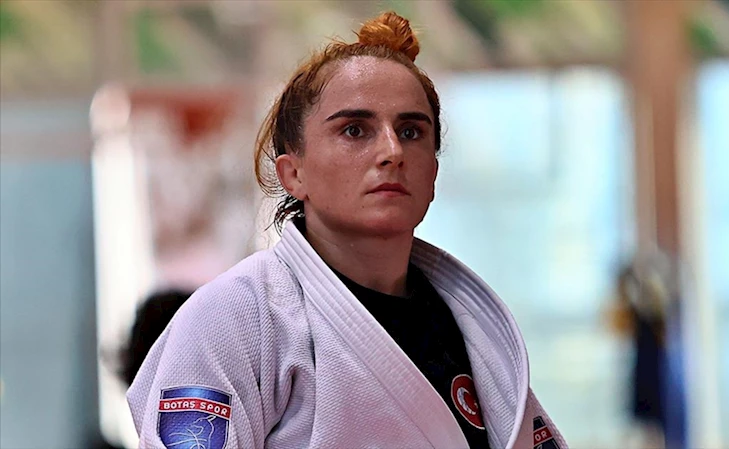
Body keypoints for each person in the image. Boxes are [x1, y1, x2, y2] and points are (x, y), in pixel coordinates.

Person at [127, 11, 567, 449]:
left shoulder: (472, 325)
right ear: (293, 172)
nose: (392, 151)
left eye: (411, 131)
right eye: (355, 130)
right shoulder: (235, 316)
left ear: (433, 172)